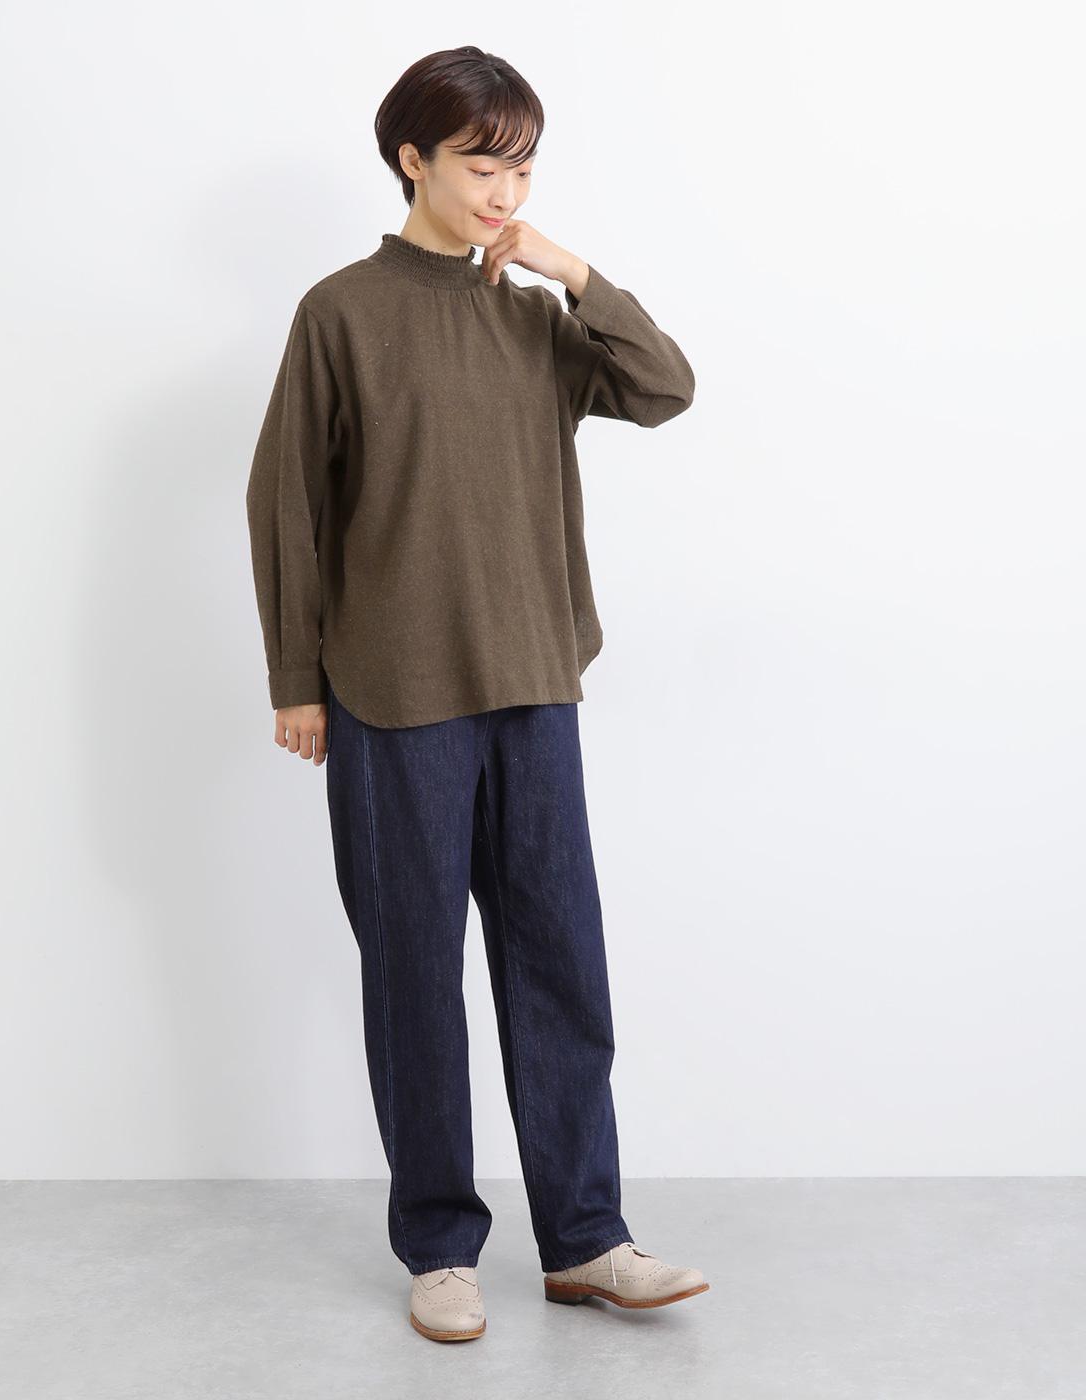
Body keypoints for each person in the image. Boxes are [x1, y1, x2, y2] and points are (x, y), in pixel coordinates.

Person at [245, 45, 709, 1343]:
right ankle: (441, 1247)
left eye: (523, 169)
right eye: (481, 165)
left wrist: (574, 273)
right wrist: (296, 680)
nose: (505, 192)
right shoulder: (340, 312)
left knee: (559, 959)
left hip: (534, 682)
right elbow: (286, 502)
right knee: (413, 973)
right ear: (413, 160)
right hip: (392, 693)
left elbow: (666, 389)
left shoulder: (535, 316)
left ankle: (587, 1238)